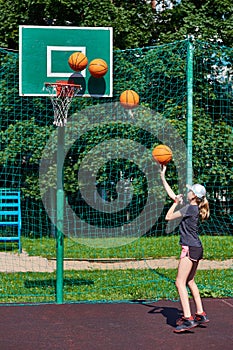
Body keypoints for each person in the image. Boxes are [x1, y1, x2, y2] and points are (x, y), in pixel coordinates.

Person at [160, 165, 210, 333]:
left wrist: (174, 205)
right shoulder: (194, 207)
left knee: (179, 282)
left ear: (194, 196)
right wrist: (162, 176)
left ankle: (188, 319)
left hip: (189, 248)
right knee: (190, 281)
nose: (187, 192)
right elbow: (172, 194)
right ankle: (200, 313)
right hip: (197, 247)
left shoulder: (189, 208)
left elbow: (168, 217)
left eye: (190, 191)